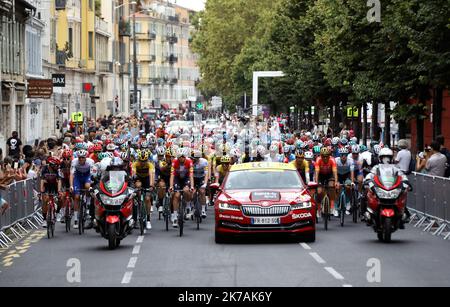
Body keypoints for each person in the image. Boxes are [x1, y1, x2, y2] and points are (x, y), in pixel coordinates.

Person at [169, 148, 194, 228]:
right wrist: (171, 186)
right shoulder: (175, 162)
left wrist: (192, 186)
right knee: (176, 195)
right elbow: (172, 175)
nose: (181, 158)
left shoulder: (189, 161)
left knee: (186, 191)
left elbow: (191, 175)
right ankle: (175, 217)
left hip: (186, 178)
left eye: (183, 157)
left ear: (185, 157)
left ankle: (188, 207)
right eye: (179, 156)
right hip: (177, 179)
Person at [132, 150, 155, 230]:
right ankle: (138, 202)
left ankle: (148, 220)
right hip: (139, 179)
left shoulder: (150, 165)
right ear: (138, 160)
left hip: (147, 179)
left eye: (144, 161)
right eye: (141, 161)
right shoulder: (135, 164)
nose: (143, 163)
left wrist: (151, 185)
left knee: (147, 199)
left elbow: (151, 175)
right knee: (138, 186)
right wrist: (135, 183)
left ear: (147, 160)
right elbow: (134, 174)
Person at [314, 147, 339, 217]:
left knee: (331, 186)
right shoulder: (318, 160)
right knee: (319, 191)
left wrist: (336, 182)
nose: (325, 158)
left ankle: (332, 208)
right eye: (323, 156)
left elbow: (335, 172)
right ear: (321, 156)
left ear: (329, 156)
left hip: (329, 174)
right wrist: (316, 183)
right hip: (320, 175)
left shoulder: (332, 160)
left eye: (327, 156)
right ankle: (318, 210)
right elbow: (316, 172)